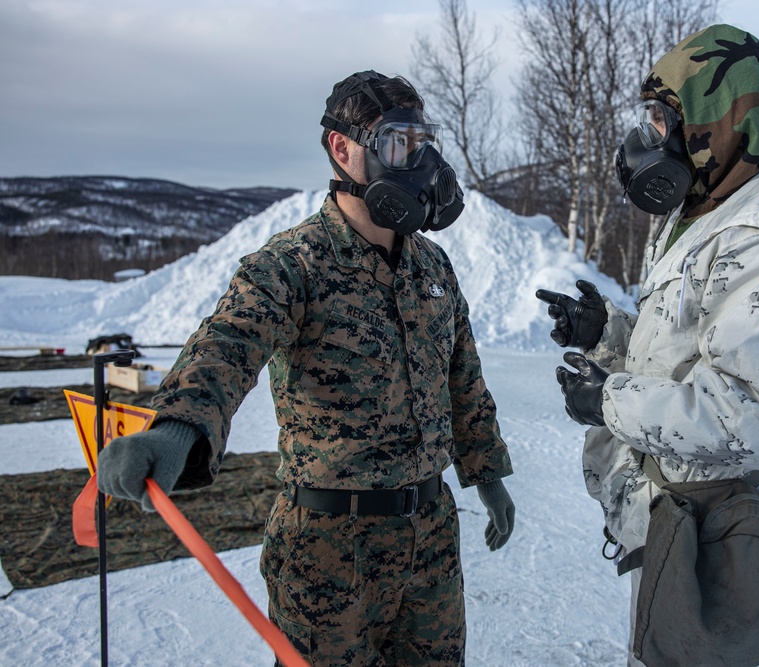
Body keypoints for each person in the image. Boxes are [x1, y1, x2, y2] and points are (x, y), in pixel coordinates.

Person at [97, 70, 516, 666]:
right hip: (328, 555)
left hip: (431, 542)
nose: (417, 161)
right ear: (342, 149)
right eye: (398, 143)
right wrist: (175, 428)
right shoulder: (293, 264)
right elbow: (226, 344)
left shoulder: (432, 266)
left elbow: (463, 379)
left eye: (421, 143)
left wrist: (486, 473)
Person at [537, 24, 759, 667]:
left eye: (665, 121)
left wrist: (608, 401)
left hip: (725, 543)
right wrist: (605, 334)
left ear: (721, 124)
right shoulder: (706, 213)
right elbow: (682, 356)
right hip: (673, 525)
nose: (649, 140)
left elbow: (744, 416)